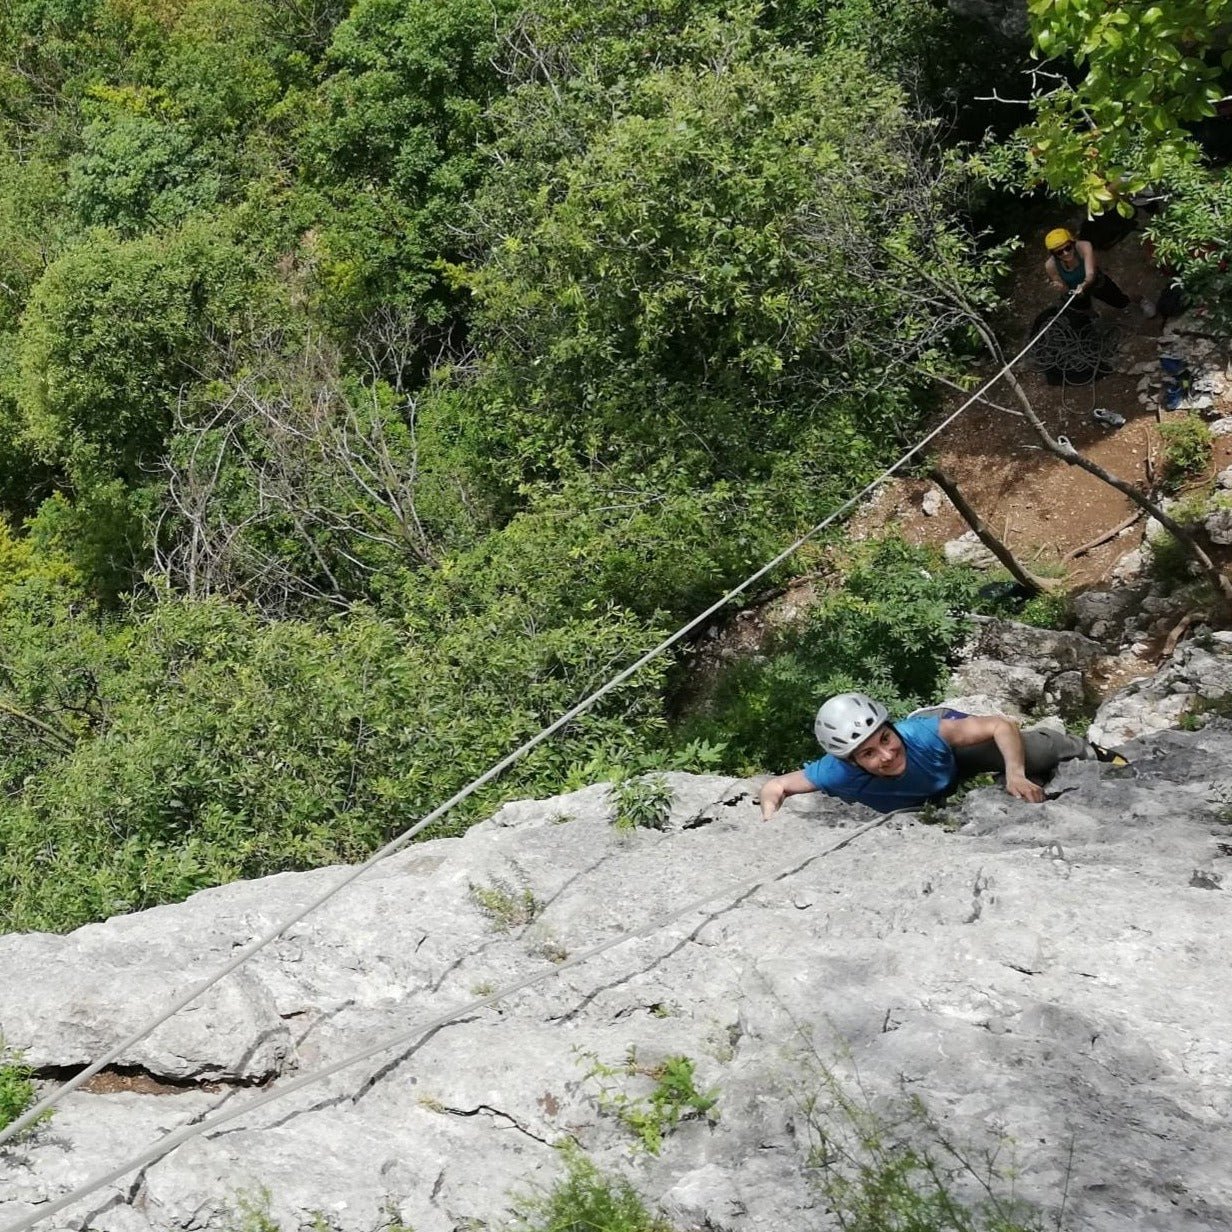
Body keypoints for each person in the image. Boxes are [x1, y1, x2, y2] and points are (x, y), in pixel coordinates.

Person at [759, 692, 1126, 819]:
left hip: (945, 753)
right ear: (851, 762)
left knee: (1035, 750)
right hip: (933, 783)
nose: (886, 755)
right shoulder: (835, 773)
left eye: (886, 738)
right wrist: (768, 820)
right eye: (868, 753)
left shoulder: (919, 735)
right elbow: (777, 787)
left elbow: (1001, 725)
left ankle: (1089, 750)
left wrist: (1015, 773)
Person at [1044, 228, 1130, 312]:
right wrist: (1062, 288)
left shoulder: (1084, 246)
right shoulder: (1051, 265)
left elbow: (1090, 274)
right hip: (1075, 293)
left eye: (1068, 248)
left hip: (1095, 282)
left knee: (1122, 303)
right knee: (1087, 316)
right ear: (1054, 254)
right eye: (1059, 252)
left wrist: (1083, 285)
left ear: (1073, 243)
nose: (1065, 253)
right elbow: (1065, 289)